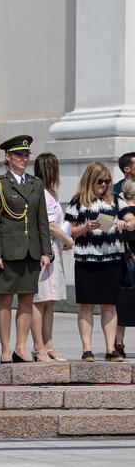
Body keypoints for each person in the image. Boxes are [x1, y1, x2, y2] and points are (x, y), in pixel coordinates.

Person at [0, 136, 52, 364]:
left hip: (31, 251)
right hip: (7, 251)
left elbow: (41, 220)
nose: (23, 159)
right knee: (5, 299)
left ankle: (21, 347)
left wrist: (46, 251)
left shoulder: (36, 184)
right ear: (8, 157)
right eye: (18, 155)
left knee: (27, 299)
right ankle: (5, 348)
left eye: (26, 155)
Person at [65, 161, 133, 362]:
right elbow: (70, 230)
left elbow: (131, 219)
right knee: (86, 304)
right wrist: (86, 227)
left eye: (107, 181)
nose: (103, 185)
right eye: (100, 182)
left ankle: (111, 348)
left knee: (109, 305)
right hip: (87, 260)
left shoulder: (115, 200)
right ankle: (87, 349)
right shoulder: (78, 201)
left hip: (112, 259)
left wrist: (125, 224)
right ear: (90, 181)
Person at [31, 152, 72, 362]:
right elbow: (50, 224)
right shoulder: (41, 192)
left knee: (50, 300)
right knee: (40, 299)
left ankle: (49, 344)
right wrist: (68, 239)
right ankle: (38, 346)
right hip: (45, 249)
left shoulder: (51, 192)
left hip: (54, 247)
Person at [113, 152, 135, 355]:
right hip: (126, 253)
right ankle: (118, 342)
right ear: (126, 169)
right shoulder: (115, 192)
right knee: (124, 298)